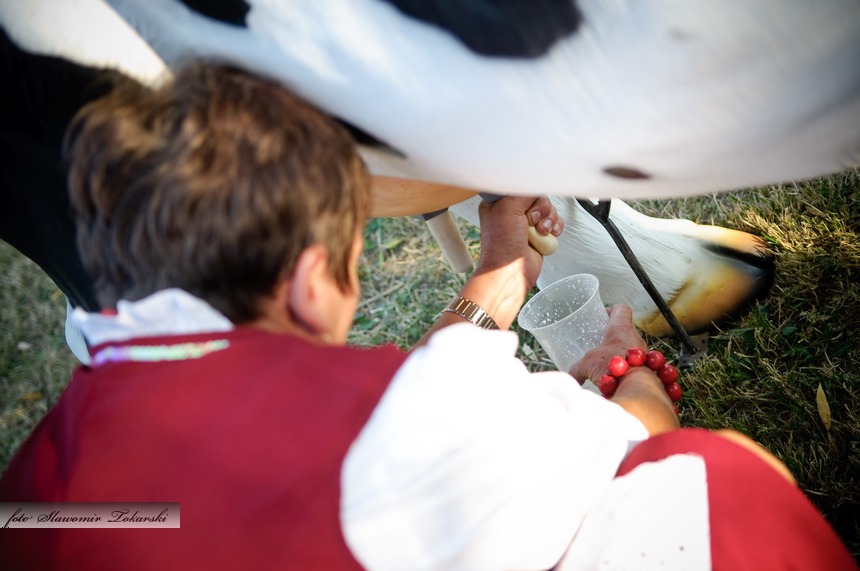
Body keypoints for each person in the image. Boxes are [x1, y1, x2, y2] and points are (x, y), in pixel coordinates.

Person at [0, 63, 854, 571]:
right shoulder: (408, 431)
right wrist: (634, 371)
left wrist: (499, 269)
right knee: (721, 474)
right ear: (310, 283)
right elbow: (631, 445)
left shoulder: (35, 497)